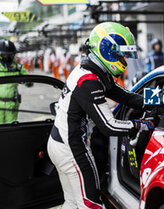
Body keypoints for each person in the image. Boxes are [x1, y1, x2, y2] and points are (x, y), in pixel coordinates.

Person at [47, 22, 155, 209]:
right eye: (121, 54)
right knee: (91, 204)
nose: (124, 59)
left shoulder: (93, 71)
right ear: (107, 49)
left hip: (60, 142)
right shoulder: (89, 80)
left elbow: (126, 96)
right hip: (71, 148)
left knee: (72, 202)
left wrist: (159, 98)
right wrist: (142, 125)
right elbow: (109, 126)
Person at [0, 39, 27, 124]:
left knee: (10, 129)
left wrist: (27, 82)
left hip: (12, 104)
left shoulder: (18, 67)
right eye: (4, 55)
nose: (7, 57)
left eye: (9, 55)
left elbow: (28, 80)